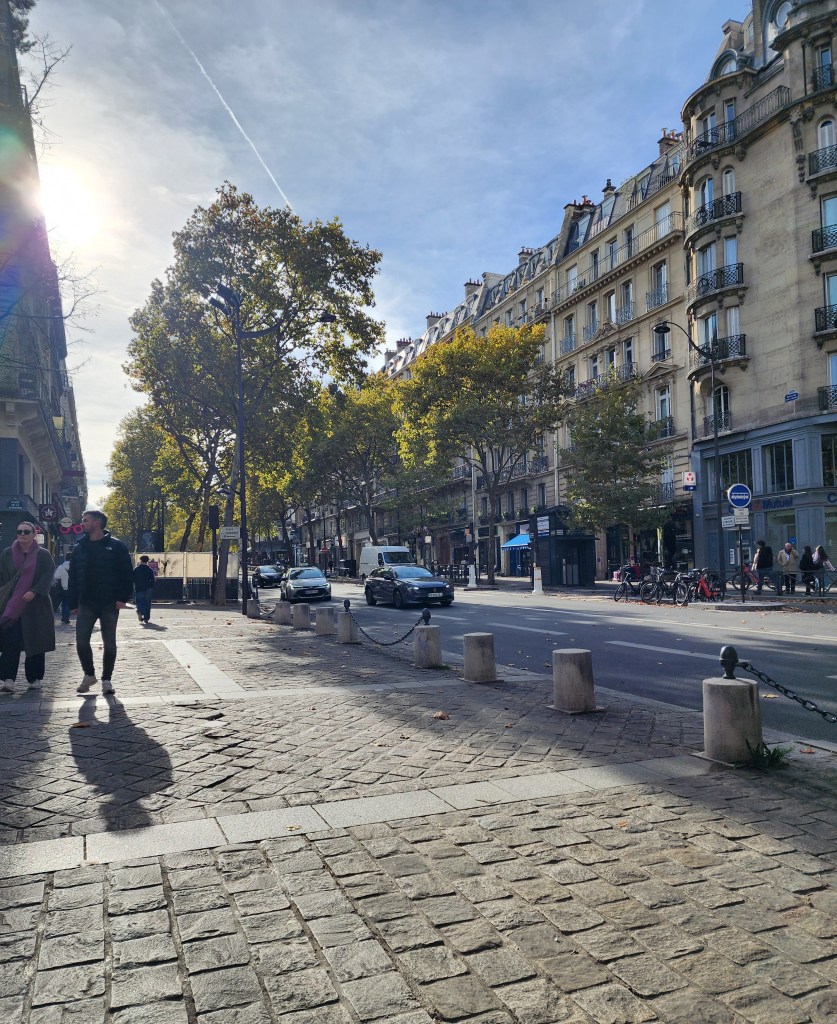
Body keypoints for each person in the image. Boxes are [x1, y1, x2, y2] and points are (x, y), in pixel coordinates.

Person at [67, 510, 134, 696]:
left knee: (109, 643)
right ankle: (89, 675)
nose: (82, 523)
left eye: (85, 520)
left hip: (109, 603)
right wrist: (72, 602)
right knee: (81, 641)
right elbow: (73, 576)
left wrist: (123, 598)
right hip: (86, 602)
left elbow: (127, 574)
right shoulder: (79, 548)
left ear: (96, 523)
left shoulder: (117, 546)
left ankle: (106, 680)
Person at [0, 522, 56, 692]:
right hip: (13, 605)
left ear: (34, 534)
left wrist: (36, 591)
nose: (22, 534)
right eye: (19, 531)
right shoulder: (7, 553)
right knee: (11, 642)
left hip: (36, 606)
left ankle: (35, 678)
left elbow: (48, 576)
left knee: (35, 642)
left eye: (26, 531)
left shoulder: (43, 554)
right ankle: (8, 679)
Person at [133, 555, 155, 625]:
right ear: (147, 561)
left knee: (139, 601)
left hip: (139, 588)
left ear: (141, 560)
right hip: (148, 588)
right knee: (147, 603)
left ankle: (140, 611)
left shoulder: (136, 569)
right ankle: (146, 618)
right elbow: (153, 580)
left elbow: (132, 579)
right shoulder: (150, 570)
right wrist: (151, 586)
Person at [52, 554, 72, 623]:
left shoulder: (61, 567)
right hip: (72, 588)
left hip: (63, 588)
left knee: (64, 602)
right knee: (68, 603)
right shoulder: (74, 566)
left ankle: (64, 617)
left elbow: (56, 576)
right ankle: (67, 618)